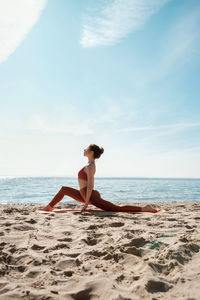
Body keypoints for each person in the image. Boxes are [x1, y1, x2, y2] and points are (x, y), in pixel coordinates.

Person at [39, 144, 158, 213]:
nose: (83, 150)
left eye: (85, 149)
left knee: (116, 209)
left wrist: (86, 204)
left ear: (91, 152)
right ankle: (49, 207)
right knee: (64, 189)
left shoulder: (91, 167)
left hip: (89, 195)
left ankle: (145, 208)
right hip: (84, 194)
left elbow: (90, 186)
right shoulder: (88, 165)